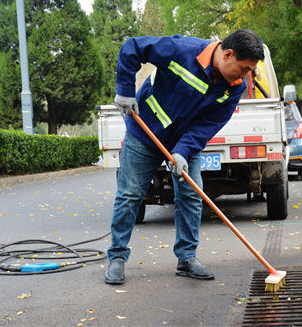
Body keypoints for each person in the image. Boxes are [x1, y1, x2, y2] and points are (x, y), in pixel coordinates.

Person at [105, 29, 265, 285]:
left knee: (191, 196)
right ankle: (117, 258)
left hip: (184, 144)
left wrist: (182, 150)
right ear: (228, 54)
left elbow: (208, 124)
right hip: (144, 133)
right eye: (244, 68)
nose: (245, 75)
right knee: (130, 195)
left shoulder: (235, 87)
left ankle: (187, 258)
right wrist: (125, 89)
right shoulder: (182, 50)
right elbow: (132, 47)